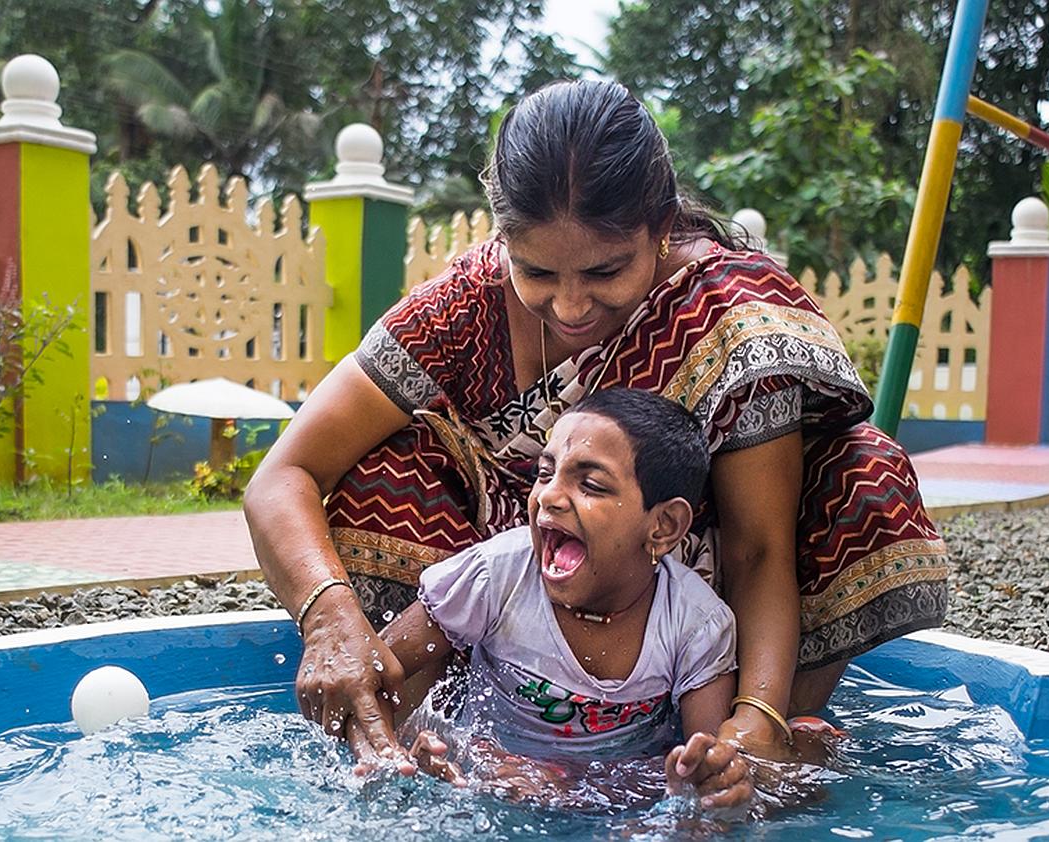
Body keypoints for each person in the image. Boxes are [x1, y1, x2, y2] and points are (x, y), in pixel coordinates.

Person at [243, 78, 949, 771]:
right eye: (539, 273)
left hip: (678, 593)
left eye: (607, 271)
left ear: (662, 225)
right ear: (503, 240)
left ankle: (748, 750)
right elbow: (284, 474)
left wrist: (754, 715)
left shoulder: (725, 316)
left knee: (866, 474)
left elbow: (760, 550)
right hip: (507, 598)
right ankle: (430, 734)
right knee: (384, 473)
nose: (573, 307)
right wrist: (330, 619)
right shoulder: (462, 307)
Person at [382, 388, 752, 810]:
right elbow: (369, 680)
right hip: (483, 792)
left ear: (664, 526)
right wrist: (416, 755)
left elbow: (705, 768)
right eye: (544, 473)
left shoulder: (696, 623)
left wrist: (707, 787)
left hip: (615, 813)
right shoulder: (497, 576)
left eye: (591, 485)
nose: (549, 497)